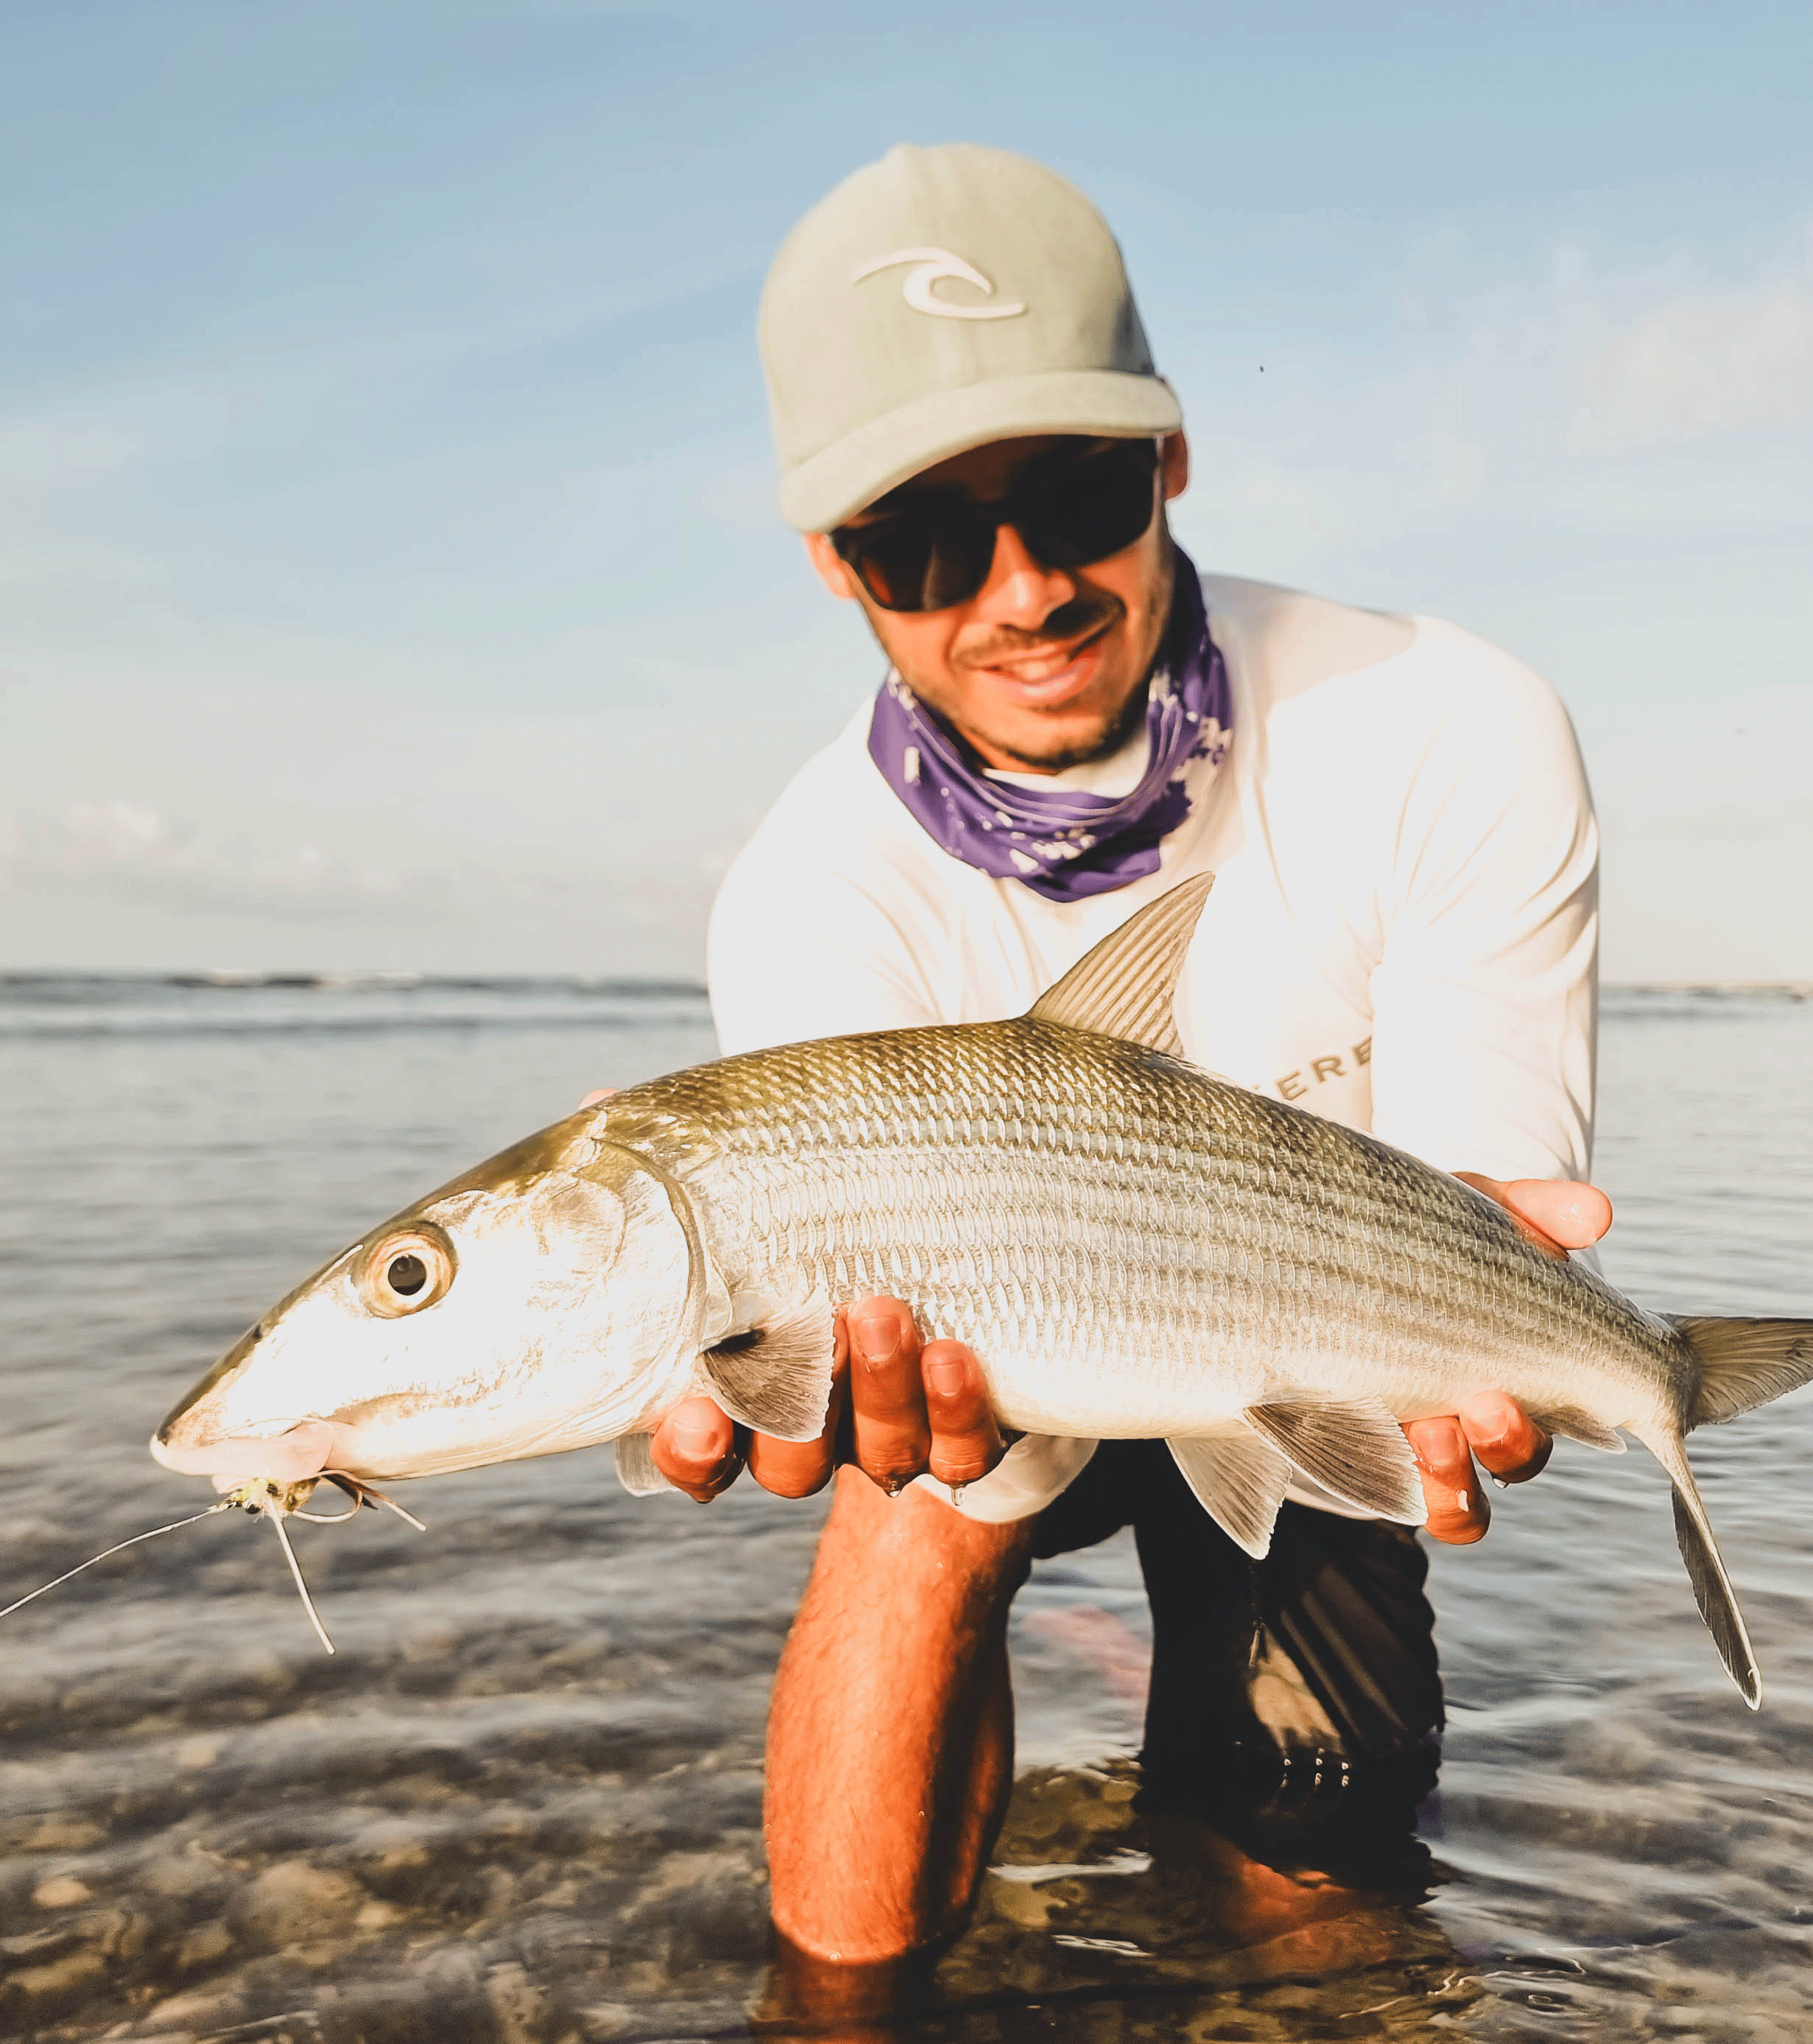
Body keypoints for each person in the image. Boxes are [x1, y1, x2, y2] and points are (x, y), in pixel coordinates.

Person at [602, 144, 1605, 1966]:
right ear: (834, 567)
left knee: (1317, 1884)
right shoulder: (808, 897)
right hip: (1006, 1340)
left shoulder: (1450, 723)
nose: (1016, 590)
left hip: (1310, 1330)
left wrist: (1504, 1312)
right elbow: (874, 1352)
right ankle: (845, 2015)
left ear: (1171, 457)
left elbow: (1472, 1206)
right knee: (917, 1515)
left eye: (1072, 492)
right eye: (919, 539)